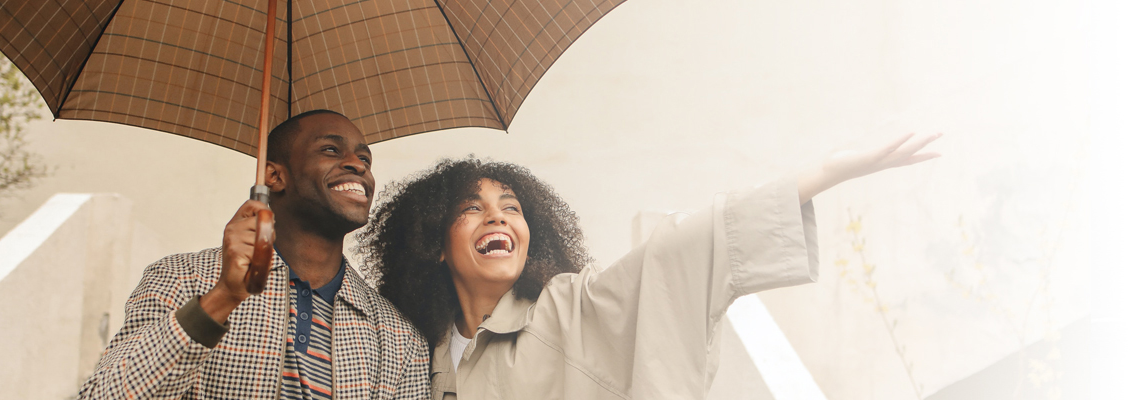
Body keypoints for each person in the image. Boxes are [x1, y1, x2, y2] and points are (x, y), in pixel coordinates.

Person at [357, 133, 941, 399]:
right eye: (472, 210)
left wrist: (824, 174)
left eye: (511, 208)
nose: (498, 219)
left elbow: (674, 256)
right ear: (434, 245)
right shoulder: (418, 354)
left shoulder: (570, 308)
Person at [78, 110, 430, 399]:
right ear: (274, 176)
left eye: (365, 158)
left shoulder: (398, 338)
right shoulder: (181, 279)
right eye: (331, 150)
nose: (358, 165)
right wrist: (222, 298)